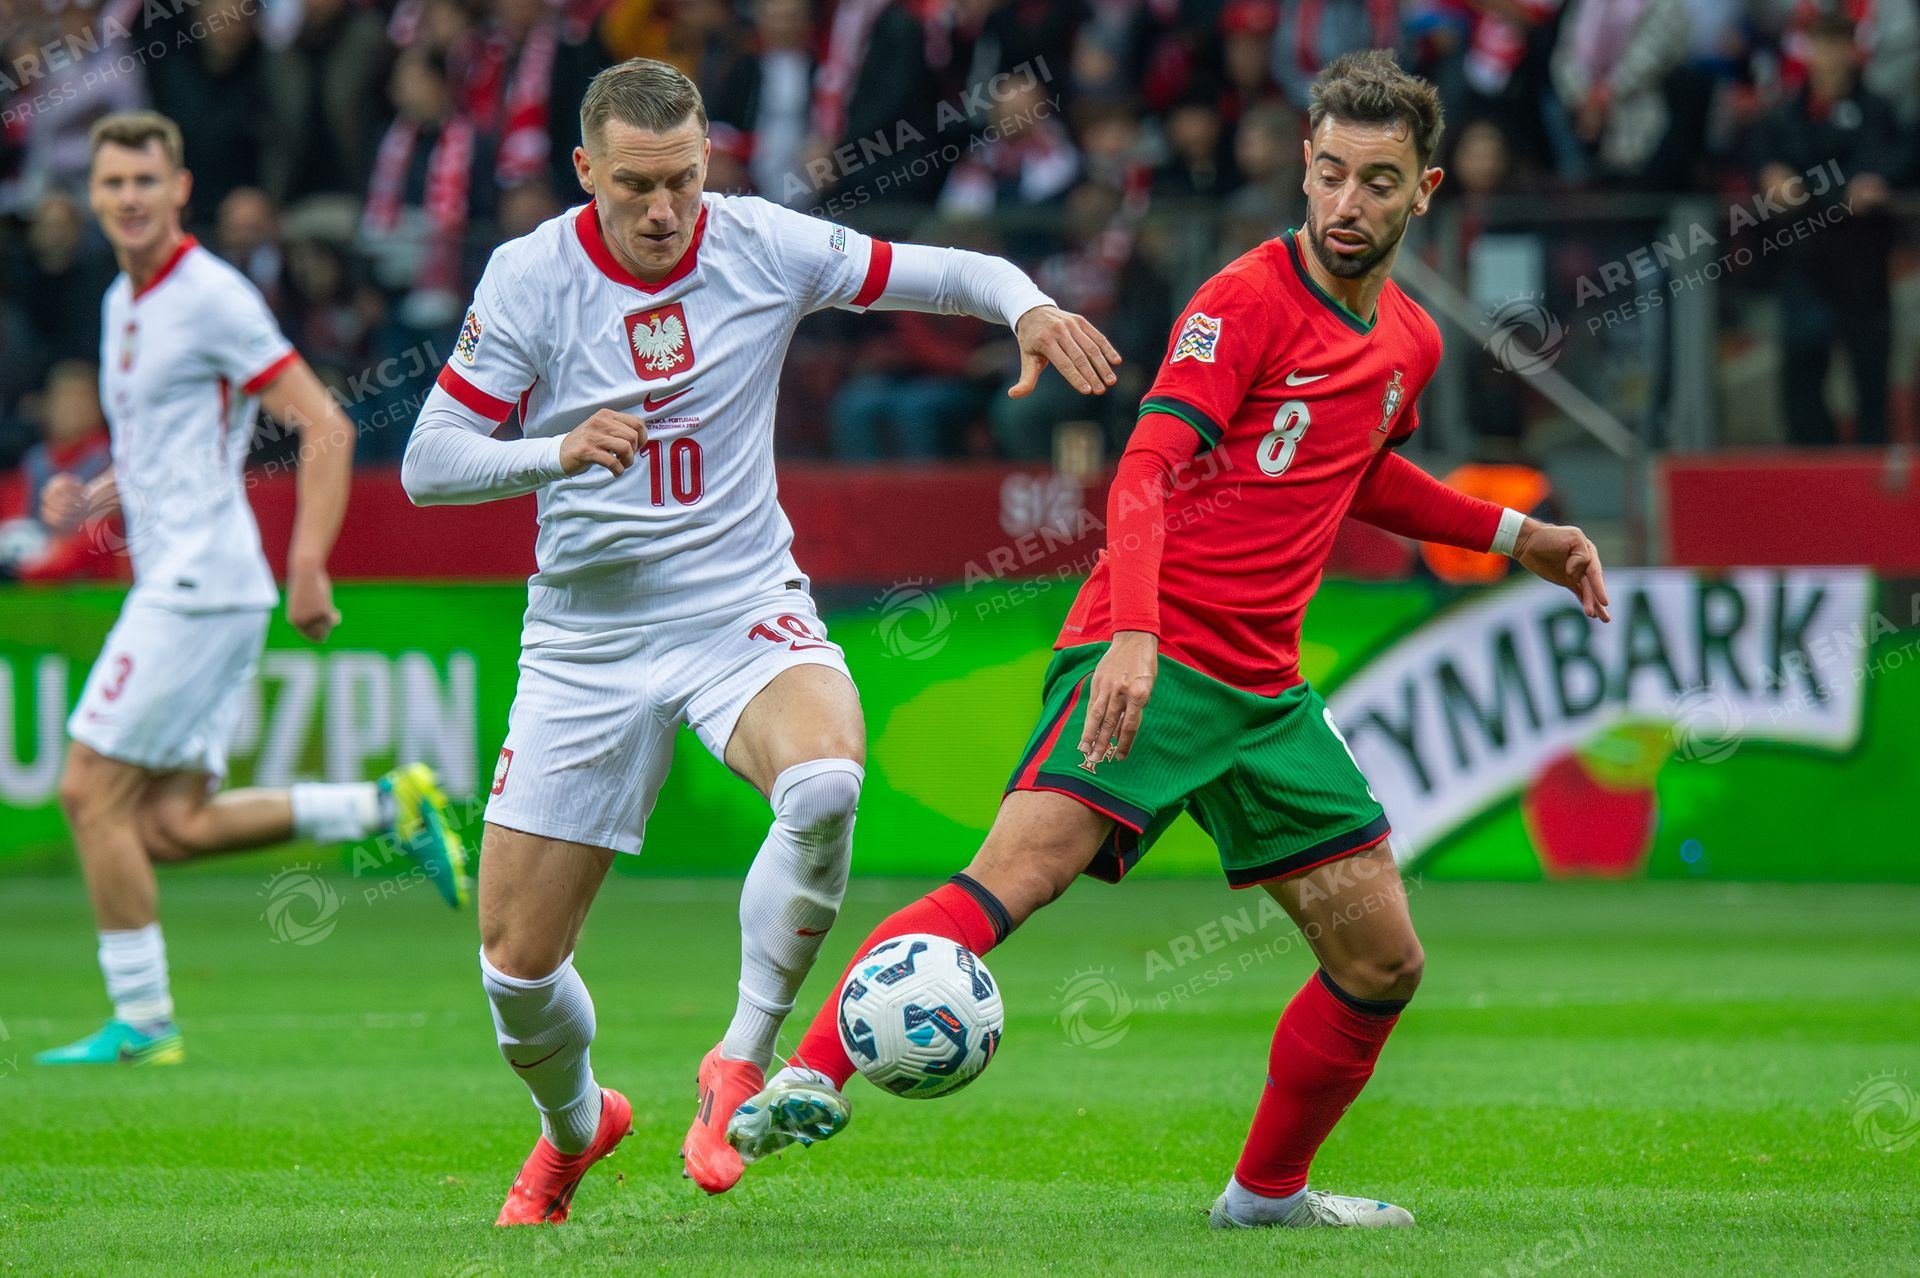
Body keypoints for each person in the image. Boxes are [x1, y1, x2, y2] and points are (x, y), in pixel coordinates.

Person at [730, 51, 1612, 1230]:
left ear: (1426, 191)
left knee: (1383, 964)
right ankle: (808, 1077)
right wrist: (1137, 636)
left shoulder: (1411, 339)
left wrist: (1517, 534)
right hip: (1152, 648)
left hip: (1265, 693)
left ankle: (1266, 1199)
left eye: (1378, 182)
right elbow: (1143, 470)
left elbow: (1359, 470)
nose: (1347, 203)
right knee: (1017, 877)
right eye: (1331, 174)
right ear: (1305, 168)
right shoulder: (1243, 300)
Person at [398, 57, 1121, 1224]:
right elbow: (428, 462)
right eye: (634, 185)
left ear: (708, 165)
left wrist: (1027, 305)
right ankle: (578, 1127)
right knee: (516, 970)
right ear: (584, 171)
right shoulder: (531, 276)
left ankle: (739, 1060)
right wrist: (557, 450)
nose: (662, 209)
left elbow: (950, 270)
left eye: (682, 181)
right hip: (587, 638)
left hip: (738, 605)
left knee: (826, 781)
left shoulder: (761, 244)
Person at [34, 112, 469, 1070]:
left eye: (146, 181)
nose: (129, 198)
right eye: (113, 183)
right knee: (170, 824)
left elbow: (324, 424)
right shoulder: (122, 301)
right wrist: (96, 496)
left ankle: (144, 1020)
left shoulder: (211, 297)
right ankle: (386, 807)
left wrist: (309, 562)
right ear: (93, 195)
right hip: (190, 580)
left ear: (180, 189)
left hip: (199, 584)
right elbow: (170, 445)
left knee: (86, 791)